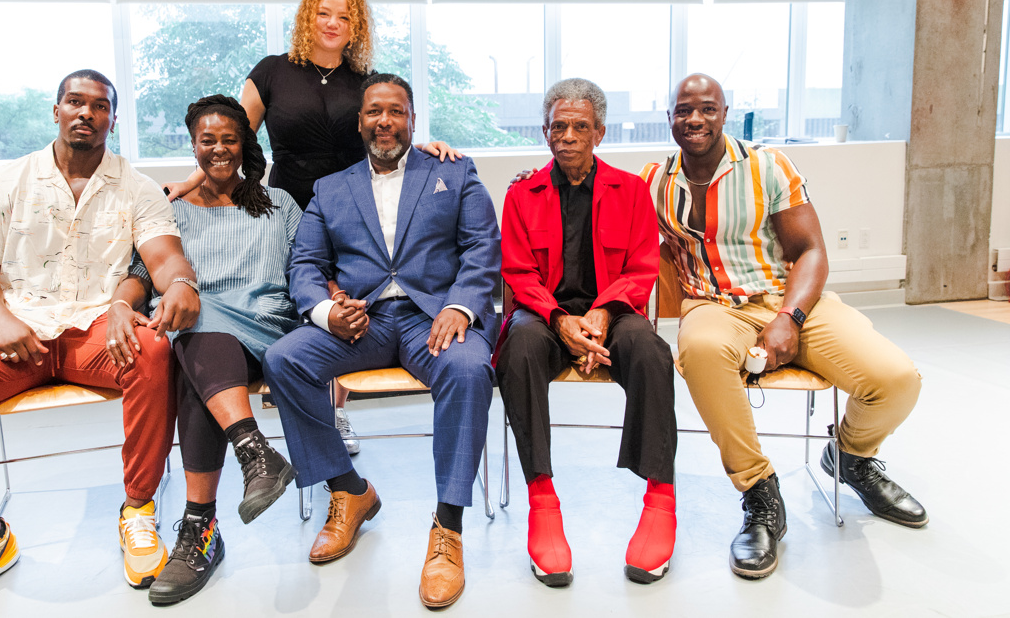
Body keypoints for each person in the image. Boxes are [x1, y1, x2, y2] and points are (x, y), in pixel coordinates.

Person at [0, 70, 201, 617]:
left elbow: (164, 258)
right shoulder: (2, 180)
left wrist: (179, 282)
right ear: (56, 111)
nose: (87, 113)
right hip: (18, 332)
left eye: (100, 106)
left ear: (112, 118)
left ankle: (137, 509)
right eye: (75, 102)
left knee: (155, 352)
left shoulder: (136, 186)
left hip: (94, 332)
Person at [640, 73, 926, 580]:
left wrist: (788, 318)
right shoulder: (655, 181)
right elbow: (598, 202)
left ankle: (852, 457)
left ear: (725, 113)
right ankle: (760, 494)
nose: (695, 120)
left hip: (789, 298)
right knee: (702, 353)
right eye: (683, 111)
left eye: (707, 108)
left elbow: (811, 251)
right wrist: (535, 179)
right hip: (712, 304)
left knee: (895, 378)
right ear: (669, 120)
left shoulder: (767, 166)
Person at [163, 0, 460, 456]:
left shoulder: (362, 79)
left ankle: (335, 414)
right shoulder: (272, 72)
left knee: (342, 300)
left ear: (356, 26)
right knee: (302, 300)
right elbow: (230, 137)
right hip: (286, 198)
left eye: (345, 17)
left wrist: (423, 148)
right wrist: (191, 182)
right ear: (308, 17)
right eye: (325, 14)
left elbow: (385, 127)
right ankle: (294, 399)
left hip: (349, 209)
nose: (333, 24)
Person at [262, 73, 500, 609]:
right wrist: (326, 312)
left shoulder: (453, 172)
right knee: (284, 359)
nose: (385, 121)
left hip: (433, 319)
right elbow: (305, 263)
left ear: (413, 119)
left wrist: (460, 306)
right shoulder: (332, 188)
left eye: (396, 111)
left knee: (467, 370)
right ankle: (349, 490)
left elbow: (483, 247)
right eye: (374, 112)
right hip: (362, 321)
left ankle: (448, 527)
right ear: (361, 121)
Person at [108, 95, 300, 605]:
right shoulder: (168, 213)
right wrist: (121, 307)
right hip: (201, 340)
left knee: (190, 323)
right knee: (192, 330)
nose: (219, 148)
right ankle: (245, 464)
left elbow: (306, 270)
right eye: (207, 140)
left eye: (229, 139)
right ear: (193, 146)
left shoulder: (278, 204)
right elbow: (140, 275)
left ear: (244, 144)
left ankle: (200, 532)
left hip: (265, 327)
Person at [497, 78, 679, 587]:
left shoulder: (632, 190)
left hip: (614, 311)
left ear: (599, 132)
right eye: (559, 126)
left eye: (580, 126)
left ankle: (661, 500)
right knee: (521, 349)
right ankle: (543, 501)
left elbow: (643, 265)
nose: (568, 136)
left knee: (650, 351)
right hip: (546, 313)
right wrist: (559, 319)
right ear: (545, 132)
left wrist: (602, 311)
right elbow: (517, 272)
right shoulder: (520, 194)